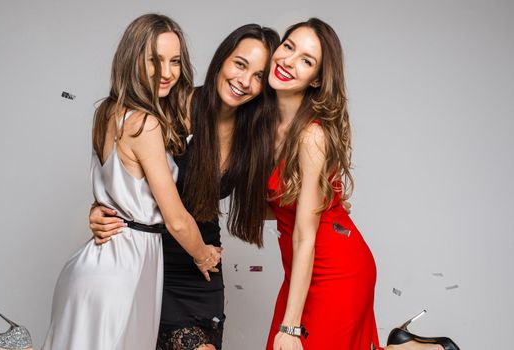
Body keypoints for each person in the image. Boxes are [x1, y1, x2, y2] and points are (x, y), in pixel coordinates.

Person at [259, 18, 459, 350]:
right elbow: (281, 208)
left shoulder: (311, 136)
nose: (289, 62)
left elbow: (305, 235)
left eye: (306, 60)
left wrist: (291, 327)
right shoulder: (265, 127)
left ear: (318, 78)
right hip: (300, 272)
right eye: (289, 47)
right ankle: (405, 346)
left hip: (334, 272)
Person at [89, 24, 280, 350]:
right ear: (222, 59)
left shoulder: (256, 134)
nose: (245, 82)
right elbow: (124, 167)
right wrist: (99, 210)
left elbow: (256, 205)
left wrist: (311, 207)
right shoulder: (173, 107)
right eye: (240, 64)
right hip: (152, 259)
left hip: (204, 272)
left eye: (259, 76)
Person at [42, 14, 221, 350]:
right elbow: (177, 220)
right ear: (132, 59)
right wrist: (204, 255)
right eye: (154, 61)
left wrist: (99, 210)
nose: (167, 73)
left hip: (94, 267)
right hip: (122, 273)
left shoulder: (107, 112)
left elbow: (115, 186)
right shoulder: (145, 124)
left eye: (175, 61)